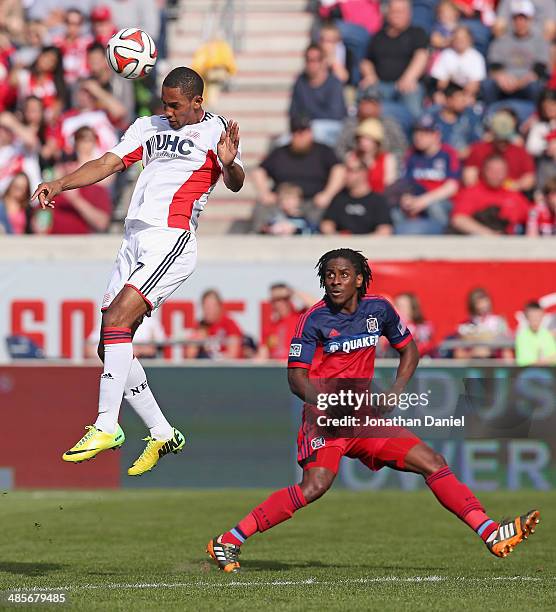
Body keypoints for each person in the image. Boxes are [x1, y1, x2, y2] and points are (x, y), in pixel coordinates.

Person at [206, 248, 540, 572]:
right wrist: (327, 402)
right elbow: (296, 378)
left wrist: (395, 391)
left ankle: (491, 532)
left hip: (363, 416)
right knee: (315, 485)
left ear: (360, 279)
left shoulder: (379, 309)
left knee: (433, 462)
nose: (335, 281)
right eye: (329, 276)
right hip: (325, 421)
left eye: (343, 274)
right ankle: (229, 539)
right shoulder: (313, 319)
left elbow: (409, 350)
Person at [32, 66, 244, 476]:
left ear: (198, 101)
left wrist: (231, 163)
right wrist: (60, 183)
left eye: (176, 105)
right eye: (164, 103)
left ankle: (106, 425)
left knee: (116, 322)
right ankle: (162, 432)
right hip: (133, 238)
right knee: (109, 343)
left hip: (172, 237)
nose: (168, 111)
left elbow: (234, 181)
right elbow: (108, 162)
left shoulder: (216, 131)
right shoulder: (148, 125)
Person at [252, 115, 344, 210]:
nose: (301, 136)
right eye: (297, 132)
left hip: (313, 203)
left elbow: (339, 169)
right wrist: (265, 193)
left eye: (305, 131)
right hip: (283, 203)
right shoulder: (280, 152)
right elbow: (259, 171)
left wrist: (327, 194)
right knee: (262, 207)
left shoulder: (324, 151)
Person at [390, 114, 460, 234]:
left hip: (440, 201)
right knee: (396, 210)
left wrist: (424, 200)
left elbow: (452, 187)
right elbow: (404, 182)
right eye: (416, 132)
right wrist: (406, 198)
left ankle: (444, 241)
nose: (418, 137)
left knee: (435, 207)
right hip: (416, 199)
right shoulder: (411, 154)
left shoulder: (448, 153)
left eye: (425, 133)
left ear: (436, 135)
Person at [360, 0, 429, 122]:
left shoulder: (417, 33)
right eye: (394, 11)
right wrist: (370, 75)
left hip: (406, 86)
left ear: (409, 13)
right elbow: (366, 60)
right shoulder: (378, 36)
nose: (397, 14)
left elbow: (421, 56)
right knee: (365, 95)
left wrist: (409, 78)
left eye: (401, 11)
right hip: (380, 85)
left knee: (413, 107)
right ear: (387, 13)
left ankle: (414, 134)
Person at [484, 1, 549, 107]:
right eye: (516, 18)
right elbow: (495, 65)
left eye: (523, 18)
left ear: (530, 19)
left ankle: (534, 115)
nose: (520, 22)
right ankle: (488, 114)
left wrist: (521, 82)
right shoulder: (501, 40)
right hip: (505, 81)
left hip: (527, 82)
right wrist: (502, 78)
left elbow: (540, 68)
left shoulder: (539, 40)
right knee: (488, 85)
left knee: (536, 87)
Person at [452, 154, 531, 235]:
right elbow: (459, 219)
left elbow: (532, 216)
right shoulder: (470, 193)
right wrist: (489, 234)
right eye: (492, 170)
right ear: (484, 171)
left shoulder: (514, 195)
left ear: (506, 172)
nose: (496, 174)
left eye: (500, 170)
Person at [463, 110, 535, 192]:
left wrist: (515, 186)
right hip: (482, 194)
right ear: (492, 134)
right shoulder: (478, 150)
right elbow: (469, 178)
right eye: (500, 138)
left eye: (506, 138)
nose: (502, 142)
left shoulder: (521, 152)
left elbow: (529, 178)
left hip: (510, 196)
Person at [320, 153, 393, 235]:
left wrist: (361, 244)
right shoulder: (339, 198)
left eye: (350, 170)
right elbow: (326, 225)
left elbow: (385, 230)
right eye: (346, 170)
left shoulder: (378, 201)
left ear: (363, 173)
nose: (345, 175)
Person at [289, 44, 347, 147]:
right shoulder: (300, 82)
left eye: (315, 60)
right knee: (280, 142)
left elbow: (335, 115)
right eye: (308, 60)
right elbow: (293, 112)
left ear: (323, 61)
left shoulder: (334, 83)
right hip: (305, 128)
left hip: (332, 128)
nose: (311, 64)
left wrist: (307, 119)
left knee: (317, 131)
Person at [335, 88, 407, 169]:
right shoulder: (351, 123)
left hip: (383, 166)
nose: (368, 106)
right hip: (356, 166)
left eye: (372, 103)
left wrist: (386, 163)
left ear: (379, 106)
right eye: (365, 102)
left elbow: (401, 148)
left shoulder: (389, 123)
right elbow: (340, 148)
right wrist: (349, 159)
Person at [257, 283, 314, 361]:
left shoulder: (300, 317)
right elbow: (263, 354)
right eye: (275, 300)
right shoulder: (270, 326)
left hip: (296, 367)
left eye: (283, 299)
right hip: (277, 369)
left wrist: (293, 291)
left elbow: (315, 305)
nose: (279, 303)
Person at [426, 82, 483, 157]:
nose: (464, 103)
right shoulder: (432, 118)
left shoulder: (469, 118)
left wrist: (468, 151)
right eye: (460, 100)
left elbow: (478, 142)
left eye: (464, 100)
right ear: (449, 100)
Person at [453, 287, 512, 359]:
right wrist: (473, 353)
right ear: (473, 305)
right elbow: (458, 354)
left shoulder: (498, 321)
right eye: (478, 303)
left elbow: (507, 351)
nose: (483, 306)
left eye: (485, 301)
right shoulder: (467, 324)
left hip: (494, 362)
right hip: (473, 363)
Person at [430, 26, 486, 99]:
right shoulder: (446, 54)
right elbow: (441, 84)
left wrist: (460, 98)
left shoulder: (477, 57)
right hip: (449, 93)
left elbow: (474, 86)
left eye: (463, 38)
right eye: (457, 38)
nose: (460, 41)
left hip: (467, 95)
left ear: (470, 40)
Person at [185, 290, 243, 360]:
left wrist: (215, 358)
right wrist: (198, 342)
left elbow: (233, 354)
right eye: (206, 307)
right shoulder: (200, 326)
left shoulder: (229, 324)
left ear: (219, 306)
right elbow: (189, 356)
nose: (208, 310)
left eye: (212, 306)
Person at [354, 118, 397, 192]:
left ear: (376, 141)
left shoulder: (387, 159)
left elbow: (390, 185)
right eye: (361, 138)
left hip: (380, 199)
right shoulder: (353, 157)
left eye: (368, 138)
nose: (363, 142)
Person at [394, 292, 435, 356]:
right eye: (396, 306)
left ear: (413, 308)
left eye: (401, 306)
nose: (397, 309)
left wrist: (404, 322)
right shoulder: (392, 327)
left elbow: (422, 347)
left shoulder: (425, 327)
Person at [515, 302, 556, 366]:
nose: (535, 319)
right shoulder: (522, 336)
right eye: (532, 316)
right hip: (528, 372)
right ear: (527, 317)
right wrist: (546, 360)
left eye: (538, 316)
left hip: (549, 372)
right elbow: (523, 361)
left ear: (542, 316)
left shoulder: (547, 335)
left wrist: (544, 361)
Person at [525, 88, 556, 158]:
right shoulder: (539, 126)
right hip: (547, 161)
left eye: (553, 105)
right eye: (546, 106)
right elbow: (531, 147)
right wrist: (547, 147)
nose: (550, 109)